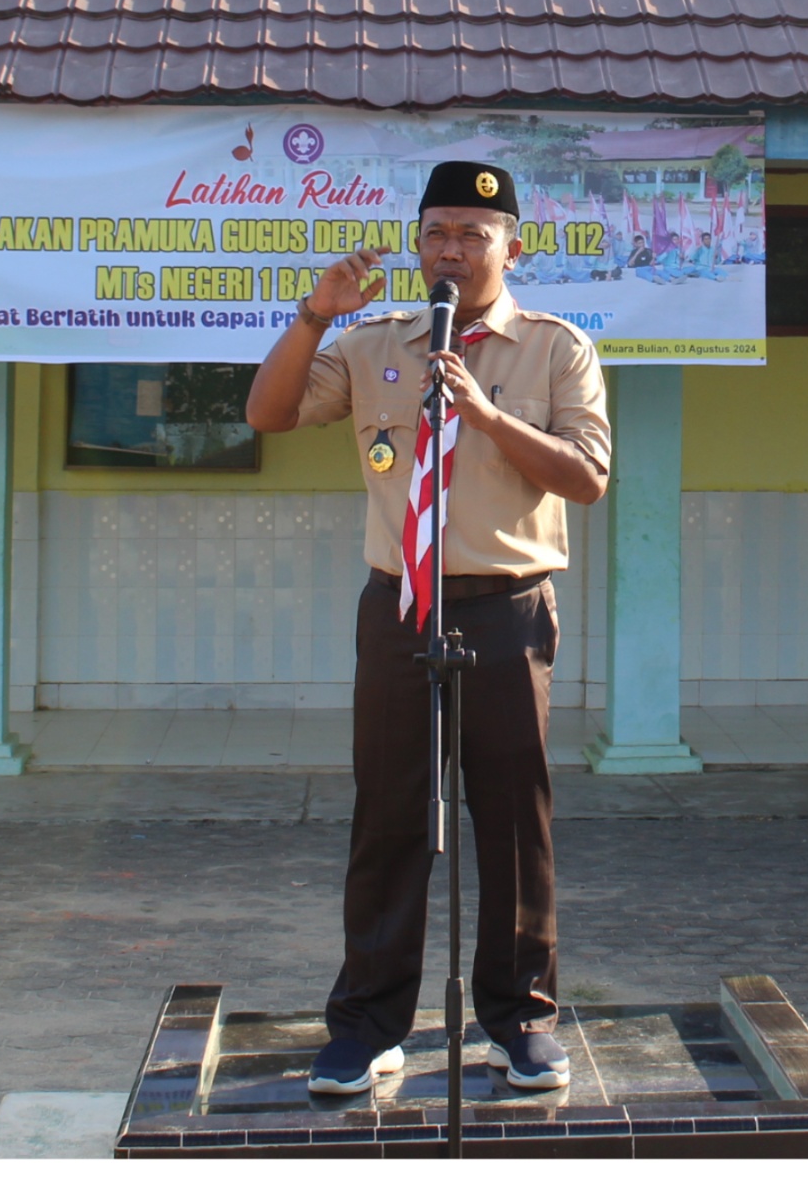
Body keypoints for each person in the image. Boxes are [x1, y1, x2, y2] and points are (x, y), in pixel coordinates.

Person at [243, 160, 611, 1095]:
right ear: (417, 244)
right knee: (391, 814)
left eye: (473, 234)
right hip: (400, 604)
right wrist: (314, 315)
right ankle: (367, 1024)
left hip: (507, 606)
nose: (452, 250)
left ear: (512, 245)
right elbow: (269, 412)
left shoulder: (556, 347)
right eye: (436, 232)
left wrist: (485, 415)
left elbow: (587, 476)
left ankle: (520, 1020)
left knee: (513, 819)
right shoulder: (375, 344)